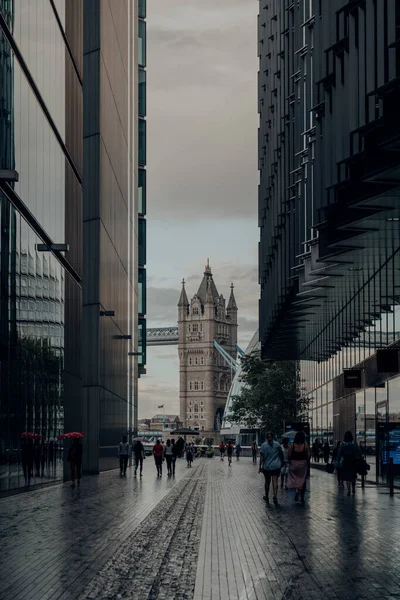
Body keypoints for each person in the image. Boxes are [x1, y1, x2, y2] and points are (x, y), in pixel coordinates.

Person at [259, 432, 283, 504]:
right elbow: (281, 455)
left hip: (267, 467)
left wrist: (260, 466)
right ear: (273, 437)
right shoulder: (278, 445)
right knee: (275, 481)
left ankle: (266, 496)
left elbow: (262, 457)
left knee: (267, 482)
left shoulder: (263, 446)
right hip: (276, 466)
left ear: (266, 437)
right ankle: (275, 496)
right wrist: (282, 463)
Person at [287, 431, 310, 503]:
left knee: (295, 479)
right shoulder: (306, 446)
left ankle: (296, 491)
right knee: (303, 480)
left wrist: (291, 462)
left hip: (294, 464)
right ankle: (302, 497)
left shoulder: (291, 446)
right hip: (303, 465)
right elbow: (309, 456)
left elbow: (289, 456)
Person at [337, 431, 361, 496]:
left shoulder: (342, 444)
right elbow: (358, 451)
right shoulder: (354, 443)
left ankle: (348, 491)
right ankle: (353, 488)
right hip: (353, 461)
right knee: (353, 476)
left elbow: (339, 453)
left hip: (345, 462)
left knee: (347, 476)